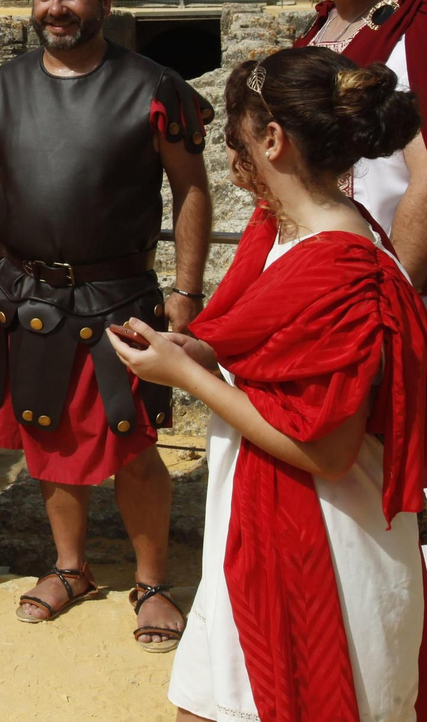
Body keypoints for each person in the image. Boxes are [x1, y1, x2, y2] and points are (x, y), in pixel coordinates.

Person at [112, 46, 426, 722]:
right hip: (256, 529)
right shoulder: (281, 231)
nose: (229, 157)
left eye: (236, 138)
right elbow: (253, 346)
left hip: (327, 559)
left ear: (275, 141)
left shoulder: (344, 273)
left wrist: (188, 377)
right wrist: (192, 347)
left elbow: (328, 451)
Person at [0, 0, 213, 649]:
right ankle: (71, 568)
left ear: (104, 4)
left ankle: (152, 582)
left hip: (120, 298)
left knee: (134, 445)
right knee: (47, 436)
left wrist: (188, 290)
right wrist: (2, 262)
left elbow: (191, 189)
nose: (57, 9)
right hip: (30, 297)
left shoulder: (155, 86)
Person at [289, 0, 427, 288]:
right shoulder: (315, 31)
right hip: (316, 283)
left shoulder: (420, 25)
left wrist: (392, 292)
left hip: (385, 294)